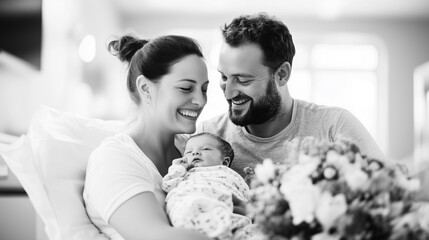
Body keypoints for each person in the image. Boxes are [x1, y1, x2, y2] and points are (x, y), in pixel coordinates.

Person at [197, 12, 386, 177]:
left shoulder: (333, 127)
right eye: (224, 76)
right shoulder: (208, 137)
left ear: (281, 74)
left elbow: (390, 192)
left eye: (243, 80)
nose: (228, 92)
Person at [83, 34, 212, 240]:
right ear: (145, 88)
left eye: (204, 89)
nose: (200, 100)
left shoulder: (193, 150)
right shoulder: (113, 159)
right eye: (186, 88)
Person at [161, 132, 258, 240]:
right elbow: (167, 186)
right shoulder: (185, 173)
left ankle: (236, 230)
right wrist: (177, 168)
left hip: (223, 201)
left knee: (246, 226)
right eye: (189, 152)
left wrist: (248, 208)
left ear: (225, 162)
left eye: (205, 149)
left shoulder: (231, 174)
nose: (195, 153)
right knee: (188, 211)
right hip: (190, 198)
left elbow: (245, 194)